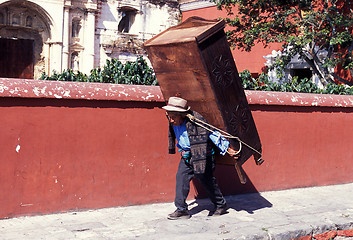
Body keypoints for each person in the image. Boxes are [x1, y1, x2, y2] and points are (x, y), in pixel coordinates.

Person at [163, 97, 239, 220]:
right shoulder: (173, 122)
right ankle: (182, 210)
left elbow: (213, 133)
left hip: (203, 156)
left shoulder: (196, 121)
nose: (171, 120)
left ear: (182, 115)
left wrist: (227, 148)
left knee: (206, 180)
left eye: (174, 117)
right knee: (181, 178)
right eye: (169, 116)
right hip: (186, 156)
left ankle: (221, 205)